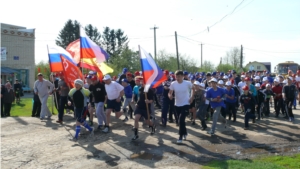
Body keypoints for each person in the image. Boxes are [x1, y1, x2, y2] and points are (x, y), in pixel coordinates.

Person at [168, 70, 193, 143]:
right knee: (181, 121)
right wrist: (170, 96)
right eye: (176, 76)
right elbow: (170, 93)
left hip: (186, 104)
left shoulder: (187, 83)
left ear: (182, 76)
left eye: (179, 76)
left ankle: (180, 136)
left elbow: (193, 89)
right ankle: (184, 132)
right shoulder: (173, 84)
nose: (177, 78)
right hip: (177, 104)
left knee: (181, 120)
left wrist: (192, 97)